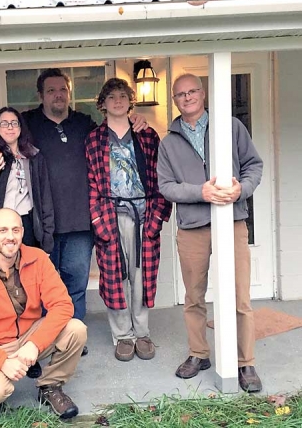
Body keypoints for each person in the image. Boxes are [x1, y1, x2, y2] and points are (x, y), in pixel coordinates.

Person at [21, 68, 148, 356]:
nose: (58, 95)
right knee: (43, 288)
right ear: (41, 95)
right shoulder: (27, 123)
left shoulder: (84, 124)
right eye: (51, 90)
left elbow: (114, 131)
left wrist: (136, 119)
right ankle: (48, 339)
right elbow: (3, 135)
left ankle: (73, 339)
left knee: (75, 285)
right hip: (44, 223)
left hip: (80, 222)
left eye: (62, 90)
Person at [157, 73, 263, 392]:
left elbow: (253, 166)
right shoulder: (169, 141)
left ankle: (245, 363)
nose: (187, 98)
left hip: (231, 221)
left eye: (192, 92)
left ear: (203, 94)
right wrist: (199, 192)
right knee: (193, 297)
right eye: (180, 94)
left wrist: (240, 189)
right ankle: (198, 353)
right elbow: (165, 186)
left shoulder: (230, 127)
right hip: (192, 227)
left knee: (239, 296)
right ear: (174, 101)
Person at [0, 208, 87, 419]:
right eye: (3, 230)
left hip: (28, 336)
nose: (10, 236)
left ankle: (50, 386)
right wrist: (2, 361)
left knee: (76, 329)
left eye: (15, 230)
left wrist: (35, 344)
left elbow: (63, 305)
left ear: (22, 232)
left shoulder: (38, 258)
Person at [85, 78, 172, 362]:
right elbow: (91, 184)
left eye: (123, 96)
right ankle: (122, 335)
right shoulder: (94, 139)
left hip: (143, 215)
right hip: (111, 214)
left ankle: (142, 332)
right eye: (112, 97)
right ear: (103, 104)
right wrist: (98, 219)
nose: (118, 101)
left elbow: (161, 178)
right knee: (114, 276)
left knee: (141, 275)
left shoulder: (146, 135)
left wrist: (157, 215)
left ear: (130, 101)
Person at [0, 106, 54, 253]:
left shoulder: (34, 158)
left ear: (20, 128)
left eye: (14, 123)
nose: (10, 127)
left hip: (26, 227)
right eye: (4, 123)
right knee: (0, 275)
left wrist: (47, 240)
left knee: (26, 274)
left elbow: (45, 201)